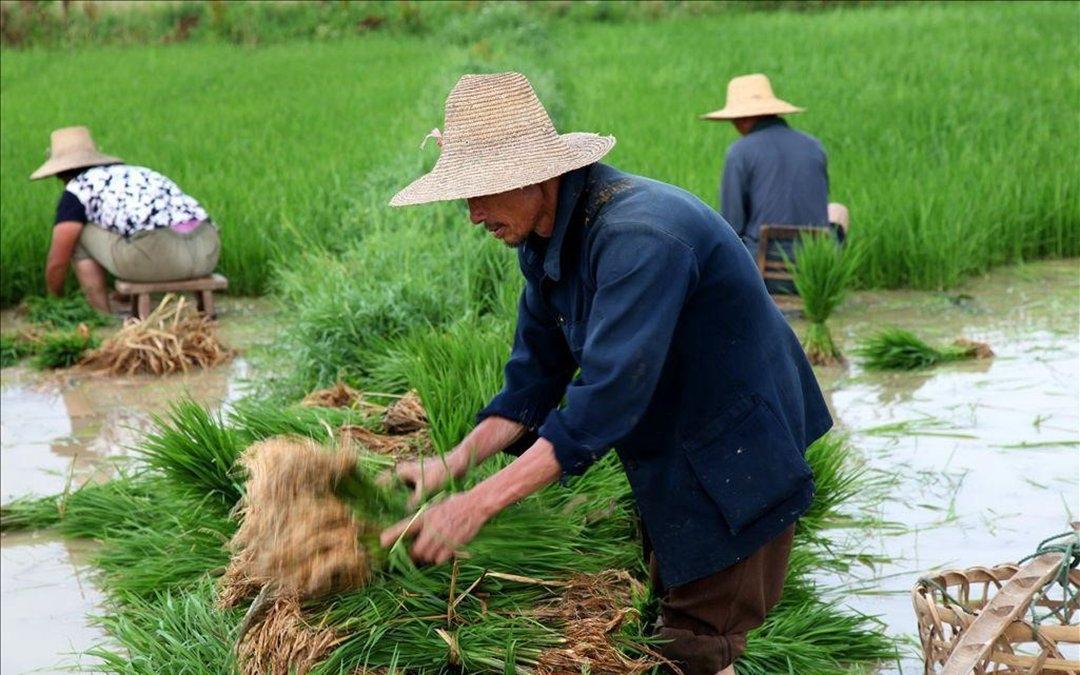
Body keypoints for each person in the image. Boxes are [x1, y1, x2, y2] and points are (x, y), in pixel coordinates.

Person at [379, 72, 833, 675]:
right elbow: (534, 380)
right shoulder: (544, 243)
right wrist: (451, 465)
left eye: (482, 192)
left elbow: (603, 405)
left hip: (736, 455)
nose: (472, 214)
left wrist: (476, 504)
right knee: (678, 619)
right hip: (672, 447)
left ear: (538, 175)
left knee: (698, 645)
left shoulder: (639, 238)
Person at [29, 126, 220, 314]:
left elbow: (58, 261)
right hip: (207, 252)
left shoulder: (77, 190)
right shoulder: (138, 173)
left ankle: (101, 314)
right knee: (126, 227)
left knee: (77, 235)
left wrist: (53, 301)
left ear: (59, 173)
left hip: (161, 258)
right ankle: (126, 298)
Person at [702, 74, 848, 292]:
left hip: (763, 272)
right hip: (814, 270)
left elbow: (731, 226)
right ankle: (825, 284)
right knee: (838, 210)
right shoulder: (814, 146)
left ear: (744, 119)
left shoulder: (740, 152)